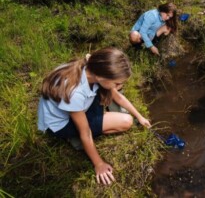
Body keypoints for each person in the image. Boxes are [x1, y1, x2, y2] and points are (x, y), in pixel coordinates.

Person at [37, 47, 151, 185]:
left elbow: (118, 97)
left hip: (74, 109)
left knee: (109, 96)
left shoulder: (90, 68)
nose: (120, 86)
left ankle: (101, 119)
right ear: (102, 76)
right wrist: (99, 164)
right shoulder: (75, 93)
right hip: (61, 124)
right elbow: (85, 133)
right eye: (117, 83)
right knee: (126, 121)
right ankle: (74, 139)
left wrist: (140, 117)